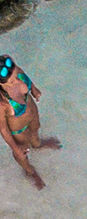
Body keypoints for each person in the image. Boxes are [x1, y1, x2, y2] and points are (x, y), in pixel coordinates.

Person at [0, 53, 60, 190]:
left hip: (32, 113)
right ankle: (29, 171)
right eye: (12, 81)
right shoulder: (2, 104)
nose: (17, 81)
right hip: (18, 129)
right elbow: (3, 129)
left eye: (16, 76)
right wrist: (15, 148)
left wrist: (33, 89)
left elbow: (24, 75)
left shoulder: (15, 71)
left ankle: (38, 145)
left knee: (35, 129)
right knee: (23, 150)